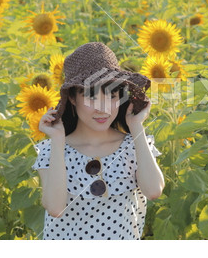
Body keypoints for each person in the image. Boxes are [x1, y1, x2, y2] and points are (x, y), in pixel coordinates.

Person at [31, 42, 165, 240]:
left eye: (112, 95)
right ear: (73, 99)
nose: (102, 109)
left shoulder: (134, 144)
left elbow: (153, 191)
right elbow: (55, 207)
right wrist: (58, 140)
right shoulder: (52, 150)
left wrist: (136, 126)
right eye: (91, 96)